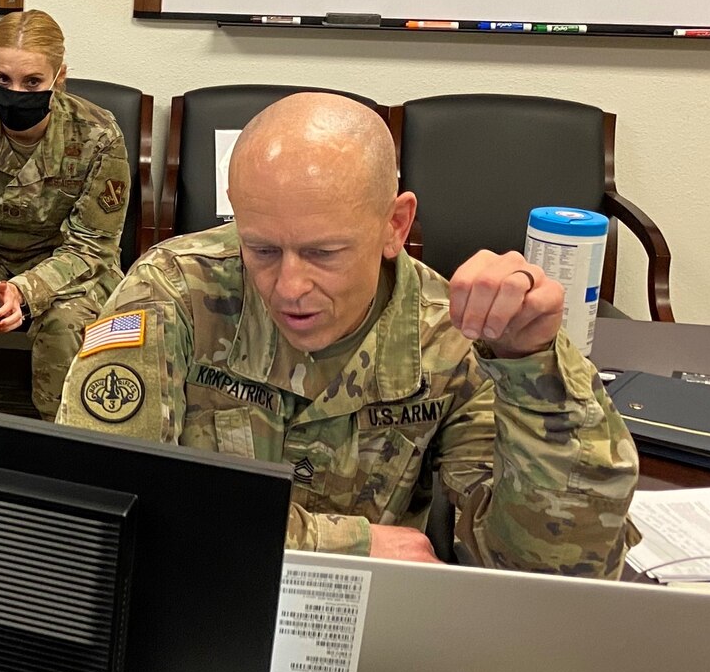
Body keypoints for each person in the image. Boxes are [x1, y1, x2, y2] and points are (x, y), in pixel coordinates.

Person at [57, 92, 639, 577]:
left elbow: (550, 572)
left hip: (372, 641)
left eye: (323, 252)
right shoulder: (175, 292)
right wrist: (342, 545)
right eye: (260, 249)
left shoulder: (450, 334)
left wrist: (533, 368)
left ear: (395, 224)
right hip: (198, 608)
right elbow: (97, 502)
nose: (289, 286)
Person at [0, 10, 131, 417]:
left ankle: (60, 429)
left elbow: (93, 246)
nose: (15, 92)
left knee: (67, 322)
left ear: (59, 77)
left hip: (66, 263)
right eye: (2, 79)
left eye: (32, 82)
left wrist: (27, 291)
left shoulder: (98, 134)